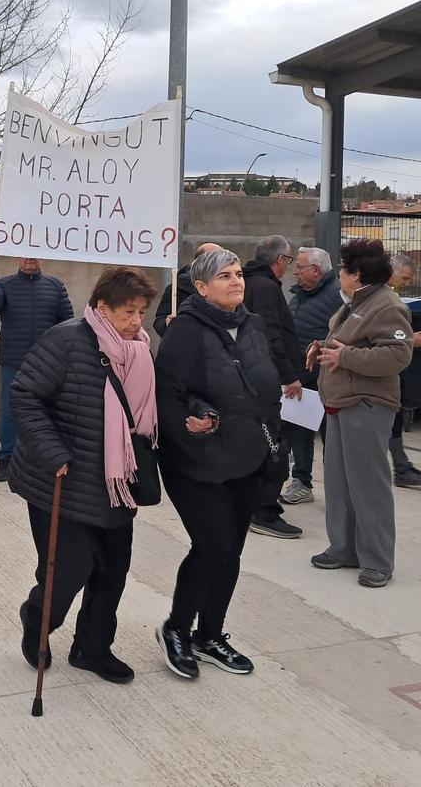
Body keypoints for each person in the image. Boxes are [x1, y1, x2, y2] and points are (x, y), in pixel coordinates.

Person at [9, 266, 158, 685]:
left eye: (141, 312)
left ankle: (92, 649)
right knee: (66, 572)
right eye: (128, 312)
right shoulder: (66, 340)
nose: (136, 322)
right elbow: (24, 395)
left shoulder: (141, 350)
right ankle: (38, 618)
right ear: (101, 307)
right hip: (62, 480)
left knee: (112, 571)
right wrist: (52, 450)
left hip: (115, 483)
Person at [154, 249, 281, 679]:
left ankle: (209, 634)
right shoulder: (185, 330)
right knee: (212, 547)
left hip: (246, 457)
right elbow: (167, 394)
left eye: (238, 273)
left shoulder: (254, 325)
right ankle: (176, 627)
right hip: (195, 461)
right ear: (202, 287)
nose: (236, 281)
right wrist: (195, 418)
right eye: (224, 276)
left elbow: (263, 384)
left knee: (231, 553)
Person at [308, 239, 413, 589]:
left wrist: (345, 358)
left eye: (342, 268)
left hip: (366, 406)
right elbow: (347, 343)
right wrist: (323, 350)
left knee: (368, 486)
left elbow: (397, 355)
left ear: (358, 274)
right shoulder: (355, 303)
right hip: (340, 404)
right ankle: (343, 548)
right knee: (339, 483)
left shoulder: (387, 305)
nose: (338, 273)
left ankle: (378, 561)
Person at [0, 258, 73, 482]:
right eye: (24, 254)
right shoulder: (4, 284)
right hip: (13, 360)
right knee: (10, 412)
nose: (30, 259)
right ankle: (6, 458)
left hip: (48, 362)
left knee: (48, 411)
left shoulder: (56, 286)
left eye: (34, 253)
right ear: (15, 258)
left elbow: (68, 322)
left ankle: (45, 457)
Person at [242, 235, 304, 539]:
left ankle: (256, 504)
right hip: (269, 381)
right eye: (289, 260)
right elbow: (271, 334)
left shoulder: (250, 283)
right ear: (279, 260)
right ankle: (264, 510)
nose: (289, 267)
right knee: (276, 446)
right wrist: (289, 374)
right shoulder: (265, 288)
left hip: (256, 377)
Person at [282, 247, 341, 505]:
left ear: (316, 270)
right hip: (301, 379)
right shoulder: (299, 296)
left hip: (327, 380)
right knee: (300, 432)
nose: (294, 272)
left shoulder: (337, 296)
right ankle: (302, 482)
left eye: (299, 267)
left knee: (332, 439)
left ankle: (337, 491)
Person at [387, 254, 421, 488]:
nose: (407, 283)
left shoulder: (390, 295)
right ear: (391, 271)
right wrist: (410, 340)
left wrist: (409, 337)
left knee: (394, 417)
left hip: (392, 368)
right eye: (404, 277)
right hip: (383, 369)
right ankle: (401, 469)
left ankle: (402, 467)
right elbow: (382, 334)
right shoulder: (382, 297)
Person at [153, 242, 223, 336]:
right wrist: (167, 323)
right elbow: (159, 321)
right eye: (215, 260)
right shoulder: (177, 288)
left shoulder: (228, 286)